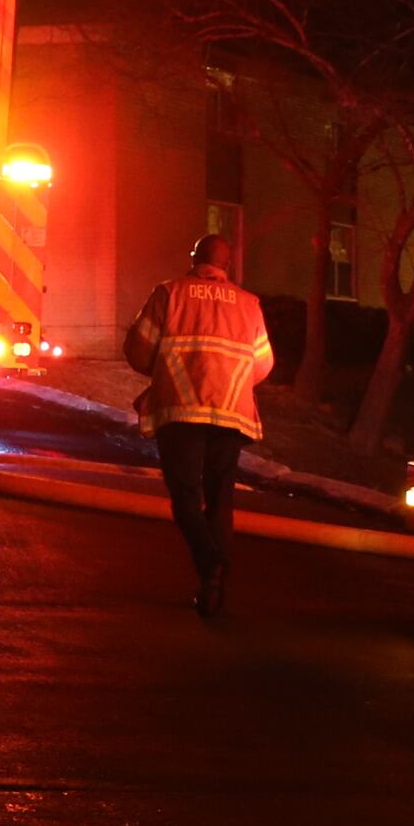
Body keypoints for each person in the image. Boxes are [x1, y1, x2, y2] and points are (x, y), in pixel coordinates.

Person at [124, 232, 274, 621]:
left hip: (181, 411)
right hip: (231, 413)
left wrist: (166, 370)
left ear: (194, 259)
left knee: (186, 498)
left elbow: (138, 351)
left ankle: (211, 565)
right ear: (227, 265)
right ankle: (216, 587)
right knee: (220, 499)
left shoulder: (169, 293)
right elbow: (263, 365)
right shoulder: (249, 304)